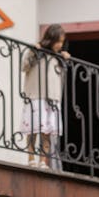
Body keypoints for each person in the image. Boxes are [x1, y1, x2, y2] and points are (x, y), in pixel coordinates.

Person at [20, 23, 70, 170]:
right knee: (33, 129)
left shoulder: (58, 57)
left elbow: (61, 78)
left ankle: (43, 161)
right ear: (51, 39)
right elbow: (24, 67)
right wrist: (33, 52)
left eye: (62, 42)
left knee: (47, 131)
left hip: (52, 97)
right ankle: (31, 159)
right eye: (58, 41)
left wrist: (65, 60)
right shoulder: (37, 51)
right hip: (35, 94)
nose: (60, 45)